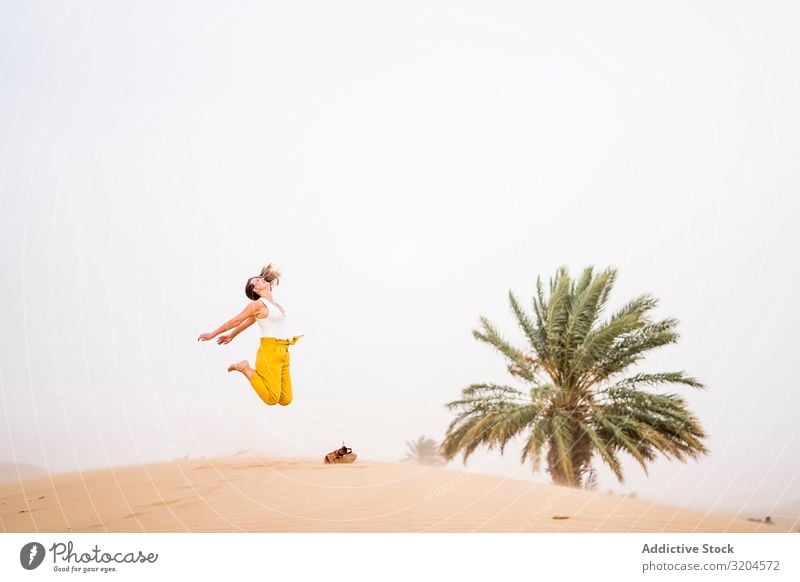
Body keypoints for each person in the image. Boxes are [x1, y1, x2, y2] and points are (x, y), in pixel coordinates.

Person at [197, 263, 302, 406]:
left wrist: (232, 335)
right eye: (256, 281)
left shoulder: (275, 305)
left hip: (284, 352)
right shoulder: (257, 304)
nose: (260, 279)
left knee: (285, 399)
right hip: (269, 352)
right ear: (256, 289)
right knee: (271, 399)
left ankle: (246, 368)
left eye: (259, 278)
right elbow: (237, 320)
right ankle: (244, 368)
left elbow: (247, 323)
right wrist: (213, 334)